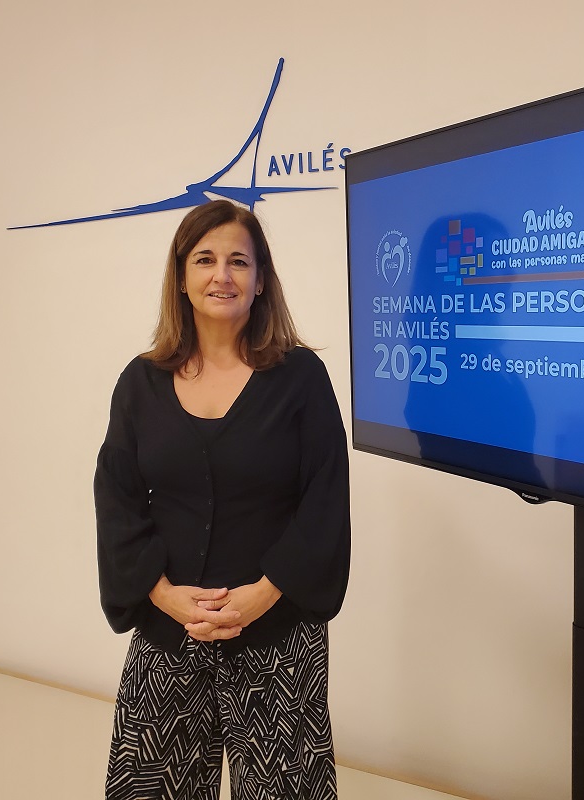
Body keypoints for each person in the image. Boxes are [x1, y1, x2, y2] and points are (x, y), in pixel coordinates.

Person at [94, 200, 350, 800]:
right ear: (181, 277)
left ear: (261, 281)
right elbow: (116, 495)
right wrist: (162, 593)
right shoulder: (141, 382)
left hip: (277, 638)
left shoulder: (301, 378)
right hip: (168, 633)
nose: (222, 275)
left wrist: (259, 598)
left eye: (240, 261)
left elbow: (325, 501)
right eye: (205, 259)